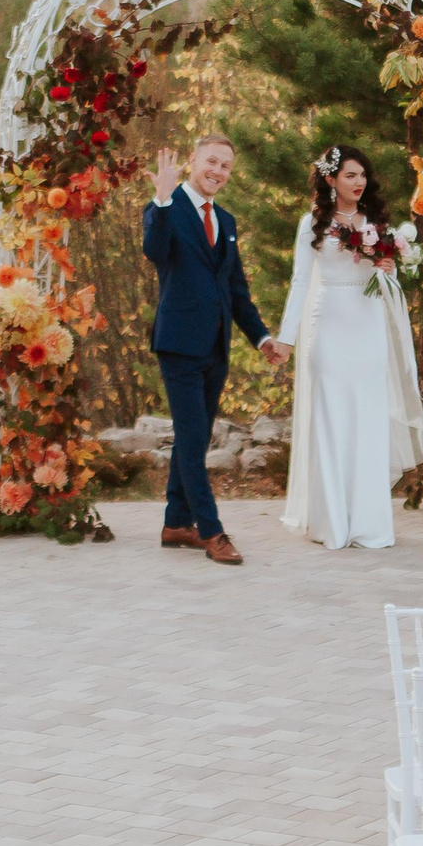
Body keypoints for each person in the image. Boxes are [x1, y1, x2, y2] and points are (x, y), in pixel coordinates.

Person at [142, 134, 289, 565]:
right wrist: (163, 198)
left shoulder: (225, 220)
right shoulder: (165, 208)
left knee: (197, 437)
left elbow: (236, 291)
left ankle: (176, 523)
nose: (218, 172)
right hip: (178, 344)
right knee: (191, 437)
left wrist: (262, 338)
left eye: (225, 166)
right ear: (192, 161)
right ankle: (210, 530)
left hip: (216, 346)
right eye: (211, 161)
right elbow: (155, 251)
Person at [277, 145, 423, 550]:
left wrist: (389, 268)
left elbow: (387, 281)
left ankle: (368, 522)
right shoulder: (311, 223)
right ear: (330, 179)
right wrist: (286, 338)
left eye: (362, 174)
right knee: (331, 418)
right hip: (328, 323)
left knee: (368, 418)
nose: (358, 182)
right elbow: (299, 282)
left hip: (368, 324)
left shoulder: (378, 222)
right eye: (349, 175)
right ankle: (332, 523)